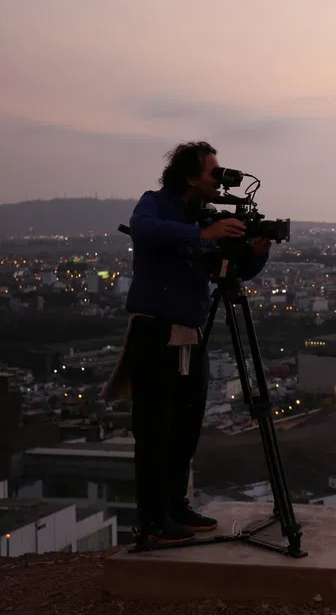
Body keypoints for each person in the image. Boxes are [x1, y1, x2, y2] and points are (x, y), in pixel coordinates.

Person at [113, 141, 271, 544]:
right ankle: (152, 520)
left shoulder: (203, 217)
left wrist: (257, 249)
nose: (218, 182)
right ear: (189, 176)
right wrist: (203, 232)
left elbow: (228, 270)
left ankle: (175, 506)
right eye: (213, 173)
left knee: (185, 428)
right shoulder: (156, 205)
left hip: (190, 336)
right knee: (154, 431)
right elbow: (146, 229)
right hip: (156, 334)